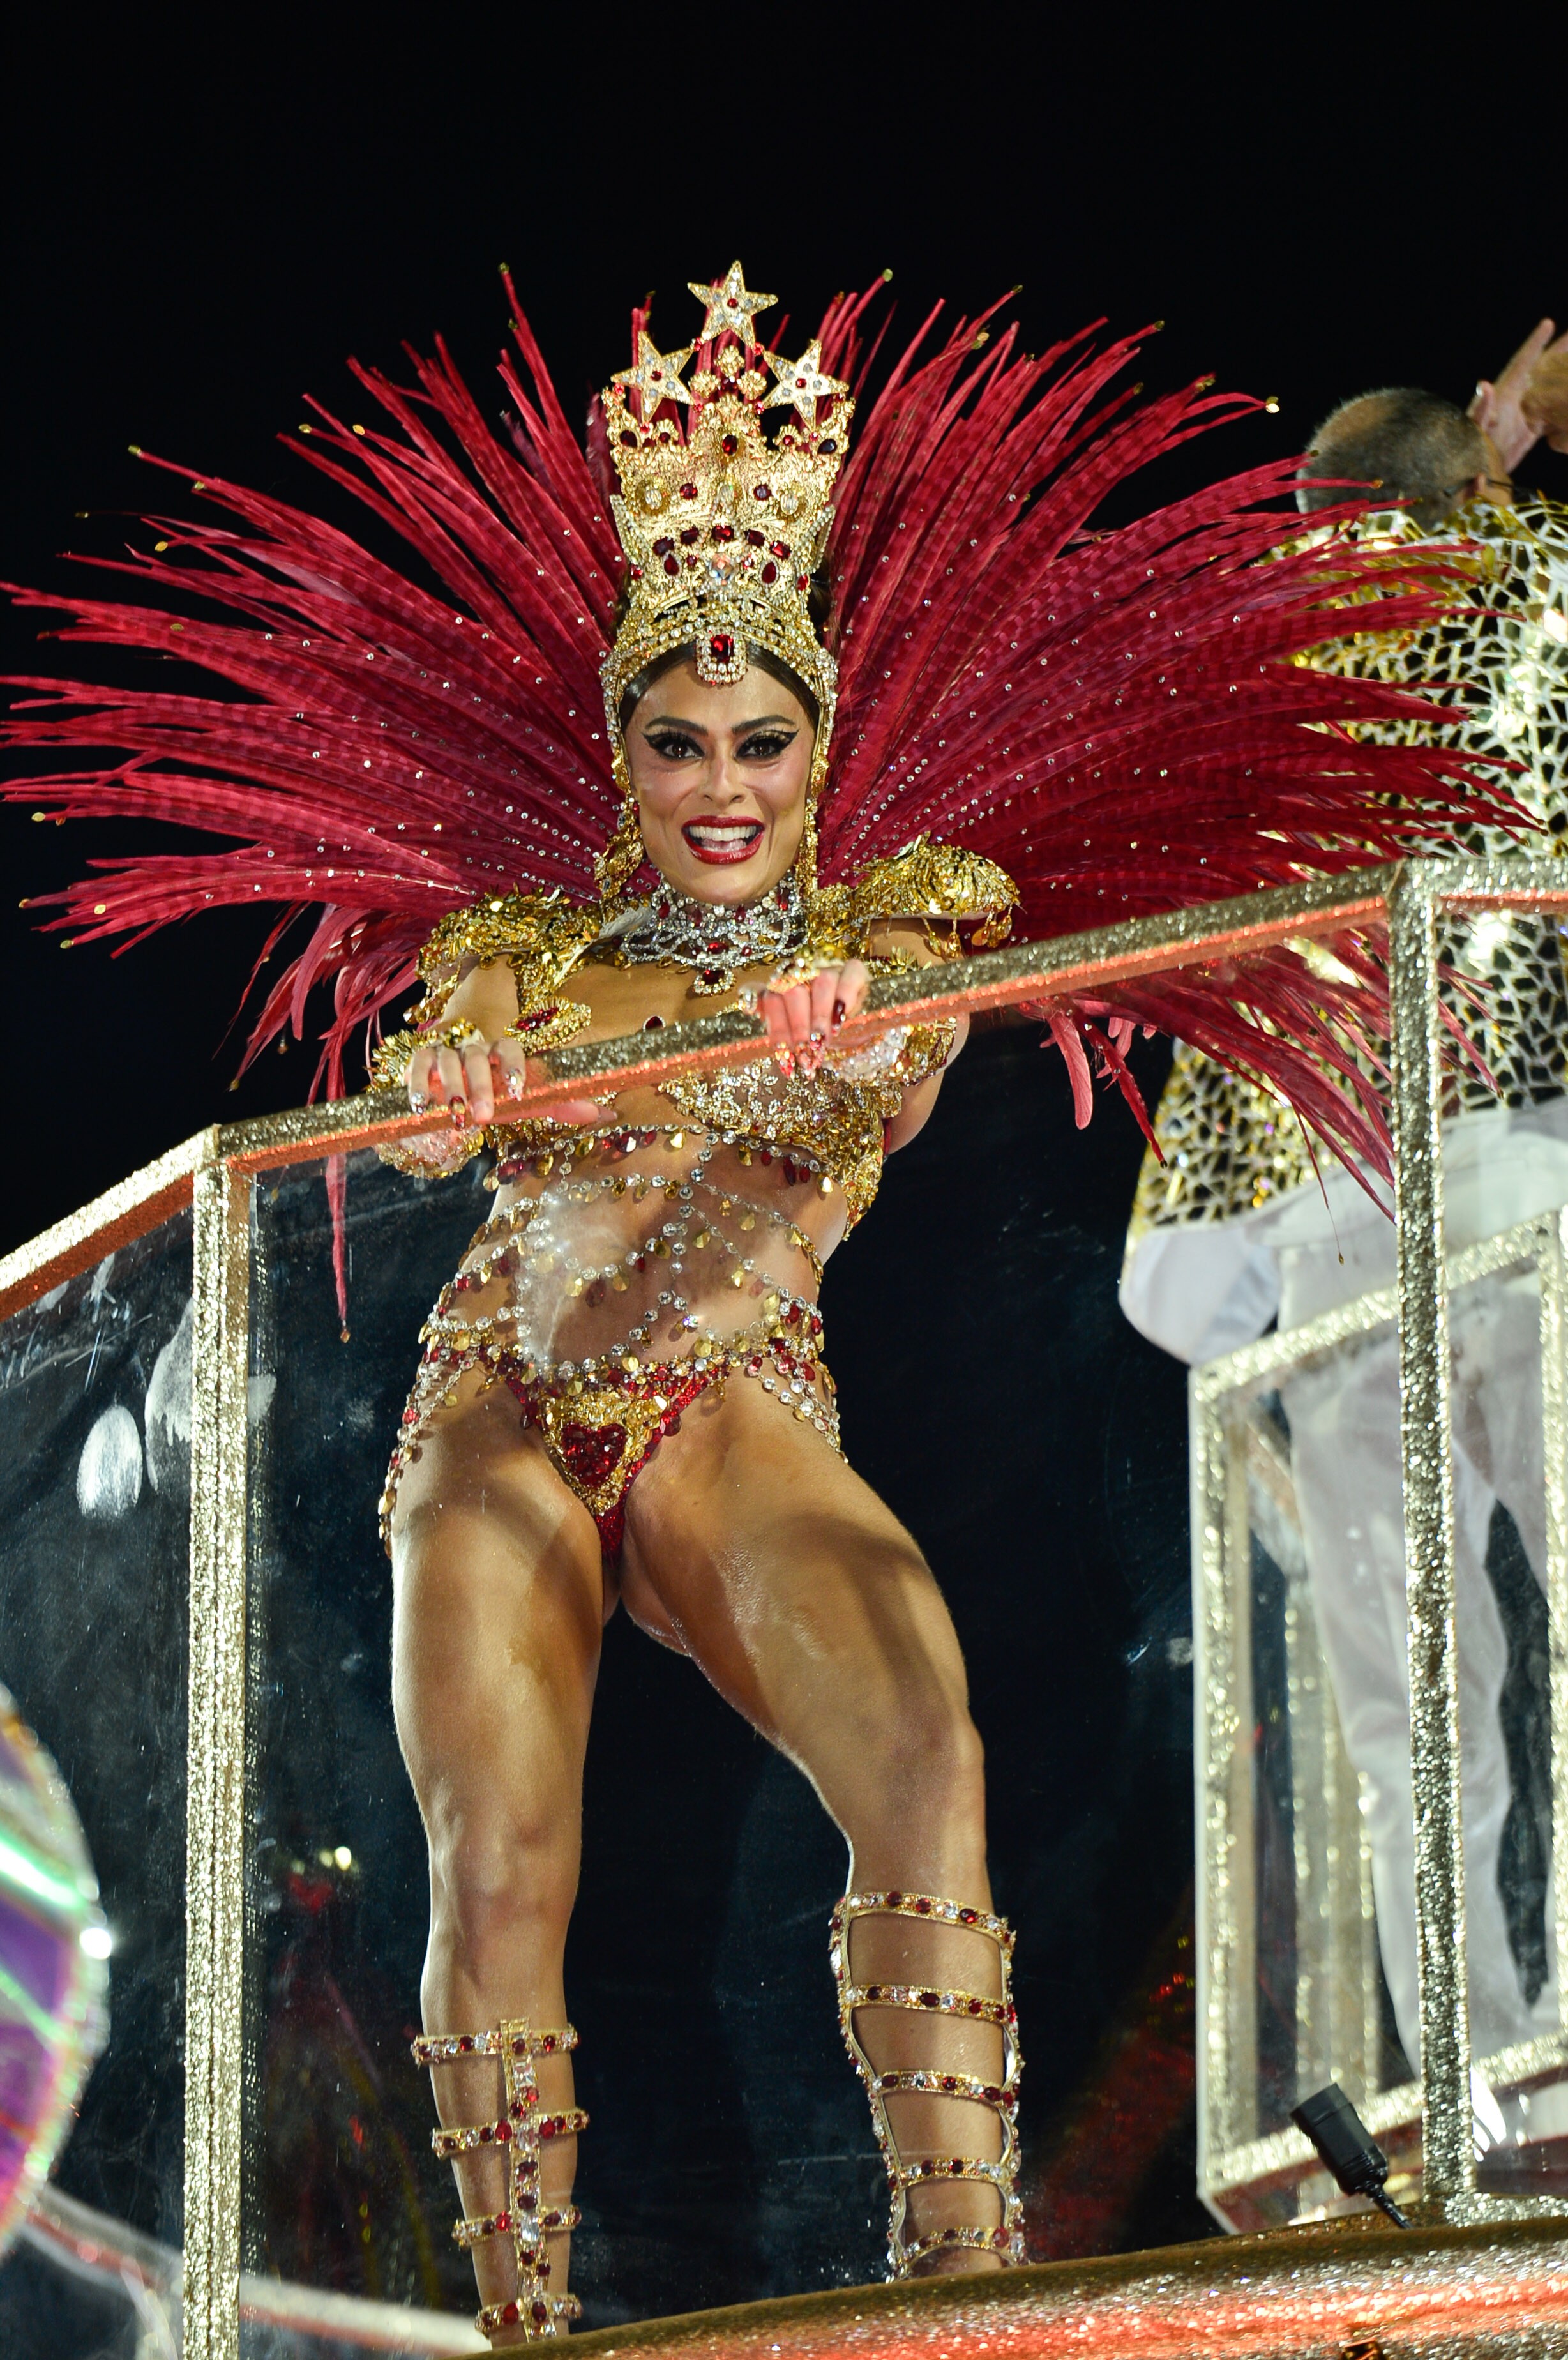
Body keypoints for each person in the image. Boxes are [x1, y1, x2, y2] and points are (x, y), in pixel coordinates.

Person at [3, 265, 1514, 2343]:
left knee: (920, 1737)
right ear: (622, 758)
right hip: (508, 1405)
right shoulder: (520, 947)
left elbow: (886, 1076)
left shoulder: (906, 921)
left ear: (822, 754)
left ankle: (957, 2287)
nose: (724, 784)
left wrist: (845, 1035)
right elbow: (431, 1134)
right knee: (503, 1870)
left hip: (729, 1402)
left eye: (765, 743)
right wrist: (443, 1087)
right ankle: (527, 2323)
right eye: (679, 743)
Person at [1120, 326, 1568, 2073]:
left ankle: (1481, 2084)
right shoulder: (1517, 582)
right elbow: (1497, 572)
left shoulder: (1251, 677)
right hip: (1520, 1181)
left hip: (1321, 1229)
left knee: (1413, 1712)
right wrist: (1508, 443)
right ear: (1461, 493)